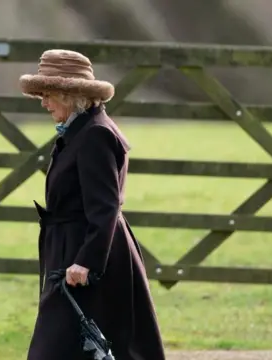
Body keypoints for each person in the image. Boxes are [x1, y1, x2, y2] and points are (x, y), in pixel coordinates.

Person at [19, 49, 167, 360]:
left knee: (59, 350)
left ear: (68, 94)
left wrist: (86, 261)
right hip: (74, 251)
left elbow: (105, 206)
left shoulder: (94, 135)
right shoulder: (80, 130)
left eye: (47, 95)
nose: (43, 103)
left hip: (86, 257)